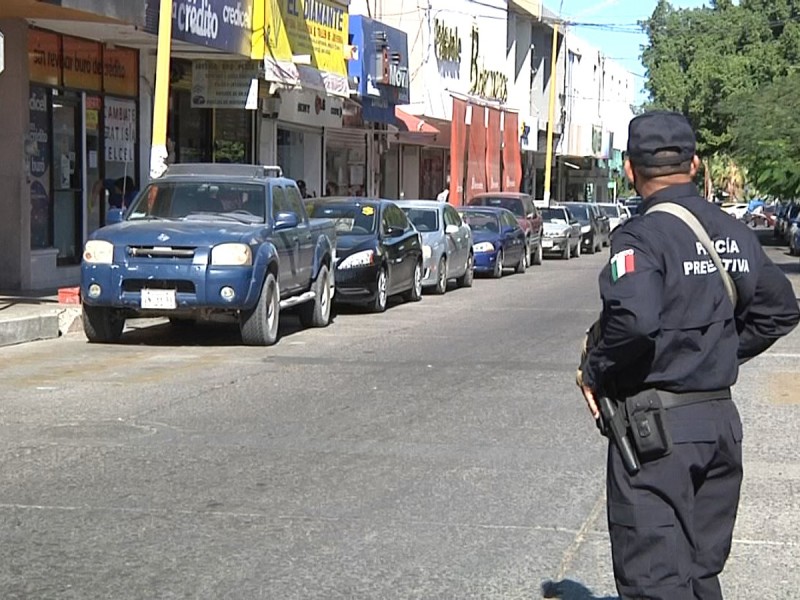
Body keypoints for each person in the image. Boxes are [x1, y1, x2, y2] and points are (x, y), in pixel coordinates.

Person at [576, 111, 800, 600]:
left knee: (655, 582)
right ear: (695, 164)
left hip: (657, 435)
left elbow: (633, 320)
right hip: (719, 424)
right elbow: (780, 310)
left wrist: (594, 369)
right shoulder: (734, 232)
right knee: (701, 577)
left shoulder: (640, 236)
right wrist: (716, 354)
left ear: (630, 171)